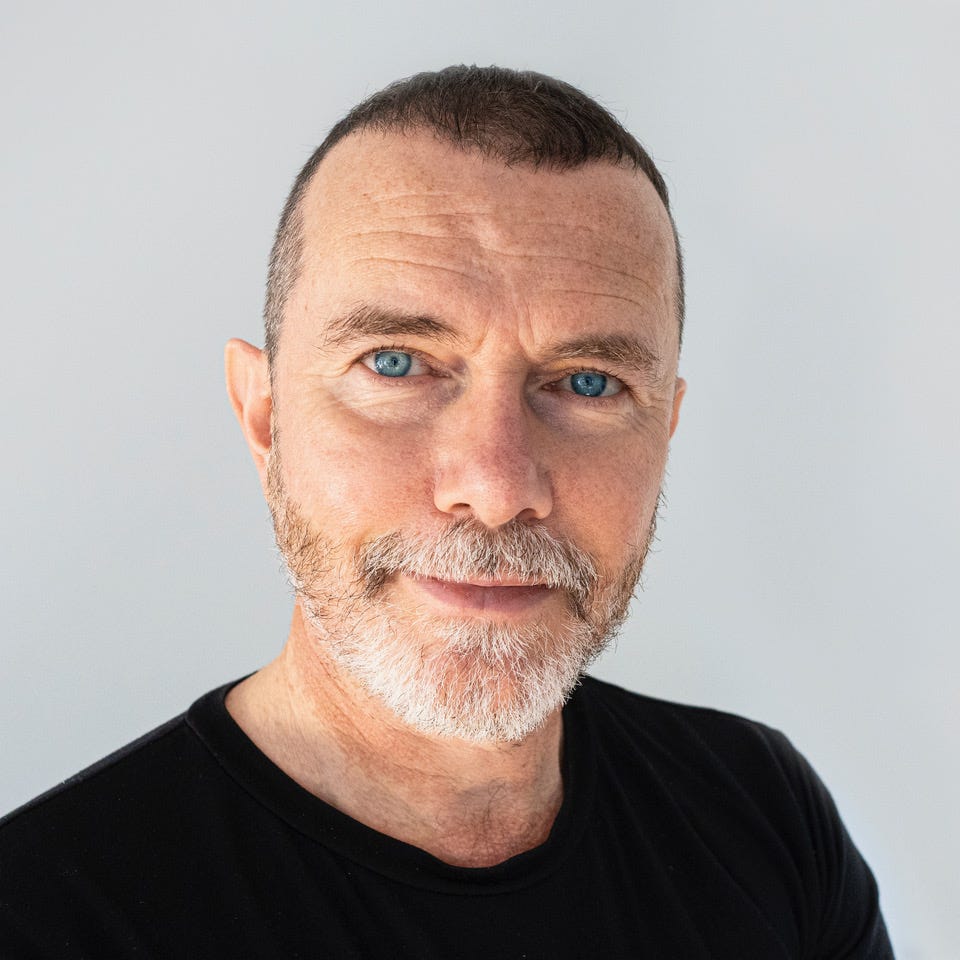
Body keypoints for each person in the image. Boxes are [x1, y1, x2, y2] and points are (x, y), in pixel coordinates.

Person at [0, 65, 893, 958]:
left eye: (588, 383)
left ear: (664, 430)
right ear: (264, 415)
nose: (497, 486)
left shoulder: (762, 815)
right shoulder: (43, 915)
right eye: (397, 364)